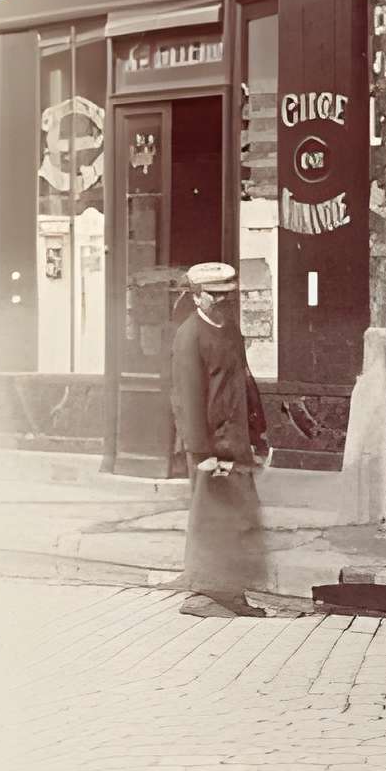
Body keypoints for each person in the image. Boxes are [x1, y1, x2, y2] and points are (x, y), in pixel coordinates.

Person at [170, 260, 270, 618]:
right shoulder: (189, 335)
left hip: (237, 441)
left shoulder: (230, 330)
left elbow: (244, 381)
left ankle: (232, 593)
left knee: (240, 518)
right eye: (216, 295)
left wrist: (258, 434)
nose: (224, 301)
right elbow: (186, 397)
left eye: (228, 295)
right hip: (211, 448)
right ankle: (202, 596)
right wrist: (200, 451)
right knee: (212, 519)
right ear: (198, 296)